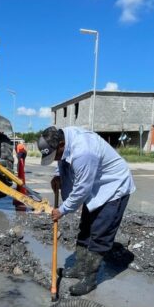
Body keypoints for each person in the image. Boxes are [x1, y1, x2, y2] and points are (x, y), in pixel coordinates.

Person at [38, 125, 136, 296]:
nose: (56, 159)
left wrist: (62, 210)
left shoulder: (84, 151)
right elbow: (63, 160)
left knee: (99, 234)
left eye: (56, 155)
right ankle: (79, 268)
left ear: (61, 145)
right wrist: (58, 175)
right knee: (85, 229)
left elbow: (82, 189)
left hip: (113, 187)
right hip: (96, 187)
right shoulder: (65, 137)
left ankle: (89, 279)